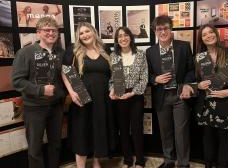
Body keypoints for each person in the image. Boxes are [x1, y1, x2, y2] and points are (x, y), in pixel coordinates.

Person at [12, 17, 65, 168]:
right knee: (35, 149)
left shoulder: (61, 53)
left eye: (54, 30)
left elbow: (67, 77)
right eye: (47, 30)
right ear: (38, 33)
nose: (51, 33)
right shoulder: (25, 53)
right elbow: (17, 81)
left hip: (56, 107)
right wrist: (40, 90)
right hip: (34, 108)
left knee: (55, 145)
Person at [195, 24, 228, 168]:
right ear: (201, 39)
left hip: (227, 104)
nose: (208, 36)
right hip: (207, 106)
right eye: (204, 34)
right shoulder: (199, 57)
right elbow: (197, 81)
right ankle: (208, 165)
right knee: (208, 140)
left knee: (225, 140)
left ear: (216, 34)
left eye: (211, 32)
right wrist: (199, 85)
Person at [62, 22, 115, 168]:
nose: (85, 35)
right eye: (81, 33)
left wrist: (114, 88)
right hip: (82, 97)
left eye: (87, 31)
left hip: (103, 99)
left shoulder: (105, 49)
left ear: (93, 32)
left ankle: (96, 163)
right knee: (81, 132)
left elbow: (115, 72)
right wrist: (72, 93)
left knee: (99, 130)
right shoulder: (73, 51)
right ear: (78, 37)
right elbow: (65, 72)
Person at [146, 15, 194, 168]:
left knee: (181, 132)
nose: (163, 31)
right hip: (162, 96)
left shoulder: (184, 46)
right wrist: (155, 79)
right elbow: (146, 75)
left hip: (180, 95)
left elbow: (191, 69)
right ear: (155, 31)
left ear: (171, 29)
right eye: (159, 29)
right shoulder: (150, 51)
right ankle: (168, 161)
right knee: (165, 132)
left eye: (165, 28)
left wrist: (187, 84)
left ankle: (184, 163)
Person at [109, 26, 148, 168]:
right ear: (116, 40)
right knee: (123, 129)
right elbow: (112, 79)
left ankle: (140, 160)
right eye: (119, 36)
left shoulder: (140, 54)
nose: (123, 38)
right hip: (120, 95)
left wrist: (132, 93)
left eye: (126, 35)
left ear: (131, 37)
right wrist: (112, 90)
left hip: (135, 95)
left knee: (137, 128)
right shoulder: (114, 56)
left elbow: (144, 78)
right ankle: (127, 159)